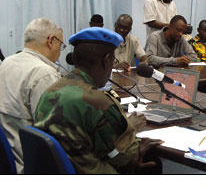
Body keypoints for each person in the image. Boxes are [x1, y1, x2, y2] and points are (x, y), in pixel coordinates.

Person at [34, 27, 162, 174]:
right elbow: (125, 158)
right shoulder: (98, 102)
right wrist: (130, 127)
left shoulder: (51, 90)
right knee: (151, 162)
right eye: (113, 59)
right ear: (107, 60)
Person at [0, 18, 63, 173]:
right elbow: (56, 132)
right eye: (61, 44)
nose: (60, 51)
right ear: (51, 41)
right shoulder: (44, 74)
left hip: (10, 158)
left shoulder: (7, 62)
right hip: (31, 165)